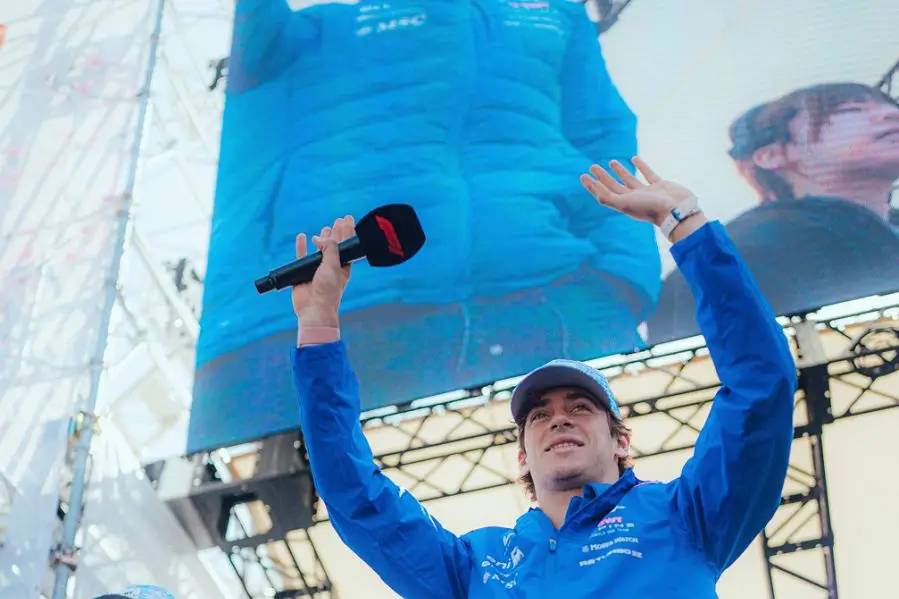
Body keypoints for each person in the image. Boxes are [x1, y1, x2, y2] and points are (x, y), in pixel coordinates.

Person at [290, 157, 797, 597]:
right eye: (538, 415)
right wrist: (318, 324)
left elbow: (760, 387)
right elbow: (356, 497)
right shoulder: (474, 567)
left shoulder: (686, 515)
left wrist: (686, 226)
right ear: (522, 457)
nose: (558, 420)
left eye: (580, 407)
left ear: (621, 441)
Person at [189, 0, 659, 453]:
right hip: (350, 316)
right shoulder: (314, 30)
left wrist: (618, 285)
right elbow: (252, 50)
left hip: (550, 301)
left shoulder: (555, 18)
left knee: (602, 485)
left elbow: (604, 138)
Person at [646, 82, 899, 345]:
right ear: (771, 156)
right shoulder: (745, 251)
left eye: (891, 106)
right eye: (851, 110)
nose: (890, 114)